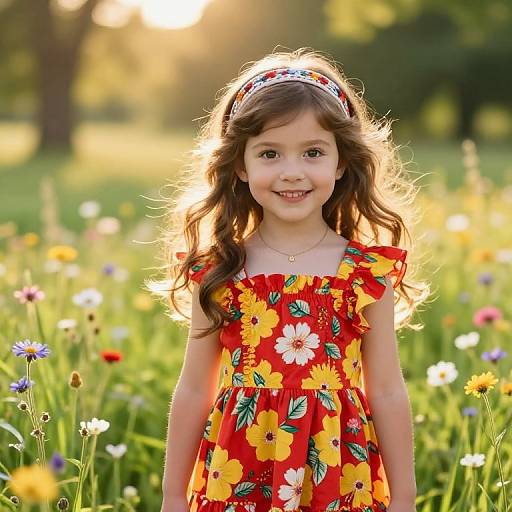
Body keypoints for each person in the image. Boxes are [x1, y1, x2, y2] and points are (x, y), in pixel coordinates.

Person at [152, 48, 430, 512]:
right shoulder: (220, 271)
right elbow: (196, 388)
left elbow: (385, 389)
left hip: (339, 474)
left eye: (313, 152)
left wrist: (404, 498)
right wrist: (173, 496)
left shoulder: (364, 274)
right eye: (269, 153)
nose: (292, 172)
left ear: (342, 162)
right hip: (240, 469)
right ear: (240, 165)